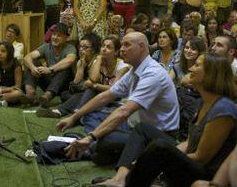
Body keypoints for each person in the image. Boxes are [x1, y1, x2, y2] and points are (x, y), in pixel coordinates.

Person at [56, 32, 179, 166]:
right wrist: (75, 116)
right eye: (122, 45)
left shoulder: (153, 74)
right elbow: (106, 96)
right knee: (92, 117)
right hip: (134, 126)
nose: (121, 49)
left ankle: (92, 145)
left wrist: (91, 137)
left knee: (107, 139)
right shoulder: (135, 70)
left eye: (127, 45)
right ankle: (96, 148)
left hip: (156, 135)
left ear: (142, 47)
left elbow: (124, 111)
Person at [122, 54, 237, 187]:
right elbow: (189, 143)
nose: (191, 69)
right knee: (149, 136)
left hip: (207, 173)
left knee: (160, 148)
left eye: (197, 65)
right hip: (193, 161)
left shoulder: (223, 109)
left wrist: (158, 160)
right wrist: (148, 158)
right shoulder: (203, 102)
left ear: (211, 73)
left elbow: (202, 157)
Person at [23, 23, 77, 107]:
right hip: (49, 81)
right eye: (54, 34)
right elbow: (27, 57)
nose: (55, 37)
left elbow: (70, 60)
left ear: (66, 38)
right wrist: (33, 68)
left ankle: (46, 97)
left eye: (59, 35)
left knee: (65, 69)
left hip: (63, 85)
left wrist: (50, 69)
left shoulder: (70, 48)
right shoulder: (46, 47)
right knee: (33, 62)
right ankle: (30, 94)